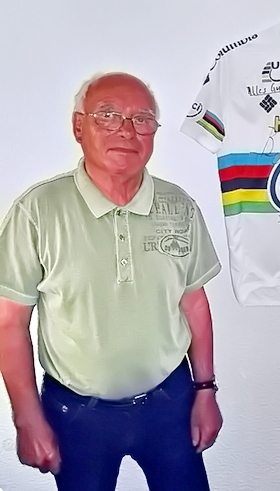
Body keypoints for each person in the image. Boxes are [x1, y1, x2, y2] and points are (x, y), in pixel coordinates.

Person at [0, 72, 222, 491]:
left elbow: (194, 303)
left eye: (142, 119)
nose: (126, 130)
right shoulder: (37, 211)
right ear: (78, 126)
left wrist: (206, 389)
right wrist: (26, 418)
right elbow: (9, 323)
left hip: (171, 404)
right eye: (108, 115)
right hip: (76, 414)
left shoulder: (179, 206)